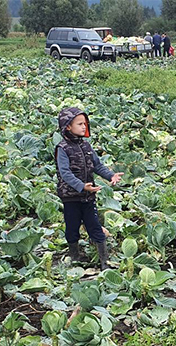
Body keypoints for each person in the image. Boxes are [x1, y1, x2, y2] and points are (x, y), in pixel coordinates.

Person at [55, 107, 123, 270]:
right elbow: (64, 173)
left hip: (88, 196)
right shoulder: (62, 148)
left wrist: (111, 176)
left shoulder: (86, 146)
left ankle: (104, 262)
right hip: (71, 197)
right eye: (79, 124)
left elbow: (97, 166)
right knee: (72, 226)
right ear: (68, 127)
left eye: (85, 124)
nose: (84, 127)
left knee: (94, 225)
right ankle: (74, 255)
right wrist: (81, 186)